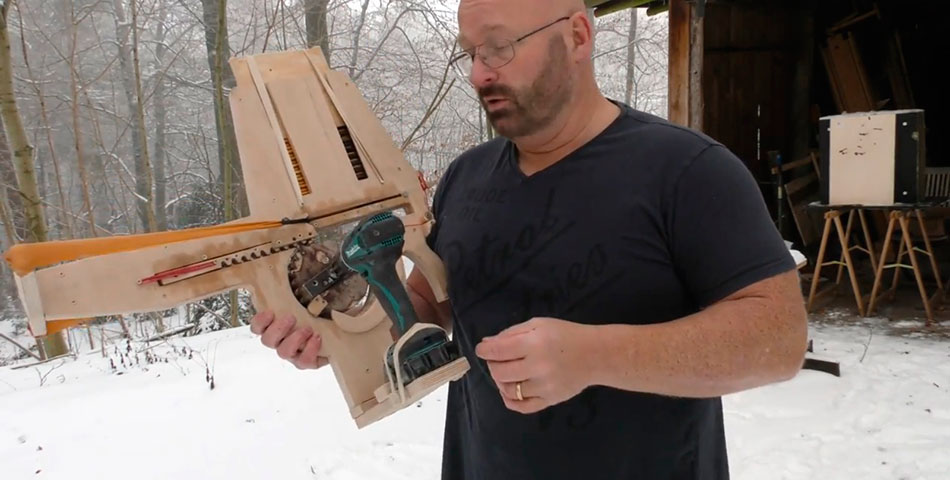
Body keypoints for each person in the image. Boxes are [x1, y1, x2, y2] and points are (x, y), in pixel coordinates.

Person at [250, 0, 809, 478]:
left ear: (578, 35)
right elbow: (429, 305)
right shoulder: (466, 178)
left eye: (498, 47)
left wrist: (594, 356)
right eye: (469, 52)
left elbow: (777, 340)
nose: (478, 74)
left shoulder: (689, 170)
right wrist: (337, 336)